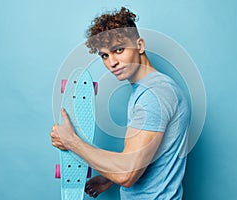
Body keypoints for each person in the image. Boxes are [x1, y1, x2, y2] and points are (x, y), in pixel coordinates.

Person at [50, 7, 190, 199]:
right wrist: (110, 178)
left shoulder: (153, 95)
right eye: (104, 56)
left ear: (139, 46)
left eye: (119, 50)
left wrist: (71, 141)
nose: (112, 62)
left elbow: (127, 174)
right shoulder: (152, 88)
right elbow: (150, 154)